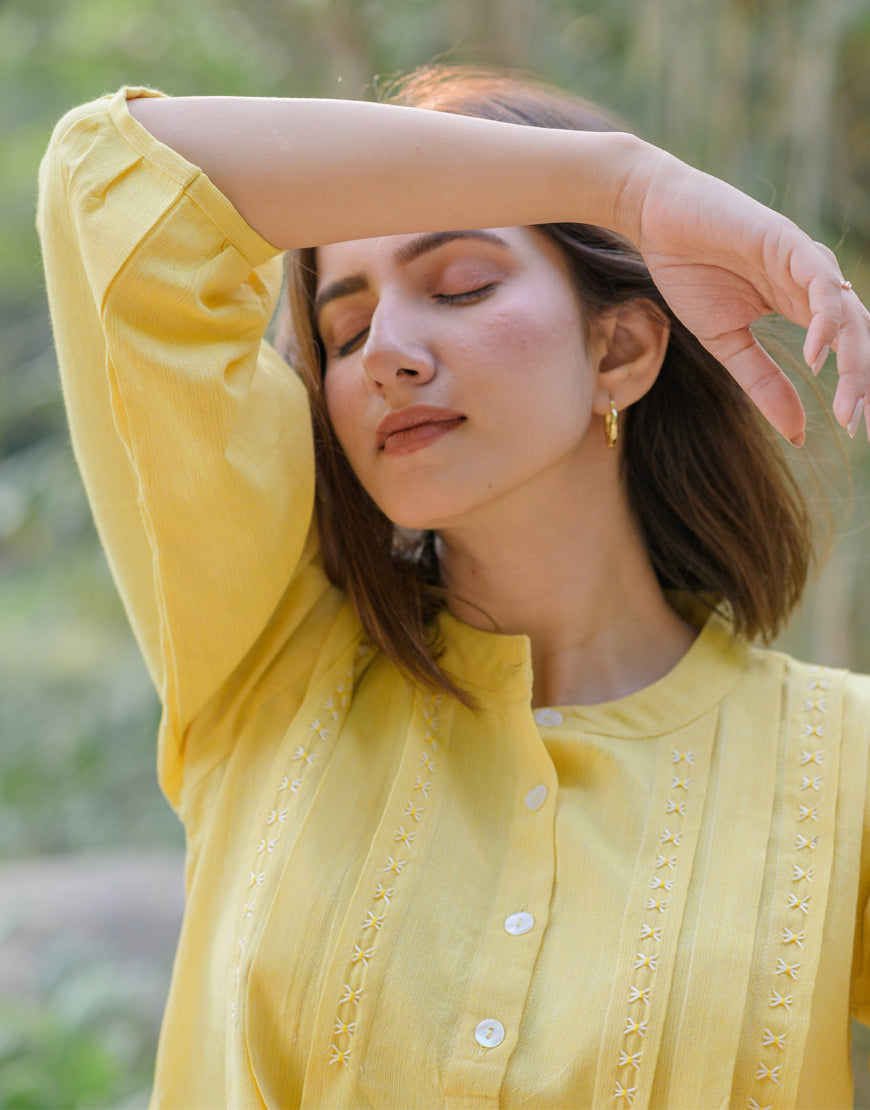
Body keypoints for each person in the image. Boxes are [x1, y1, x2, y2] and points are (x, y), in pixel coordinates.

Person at [37, 64, 870, 1109]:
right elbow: (107, 172)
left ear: (621, 347)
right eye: (343, 332)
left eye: (462, 285)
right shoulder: (270, 664)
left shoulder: (842, 765)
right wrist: (623, 185)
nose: (385, 352)